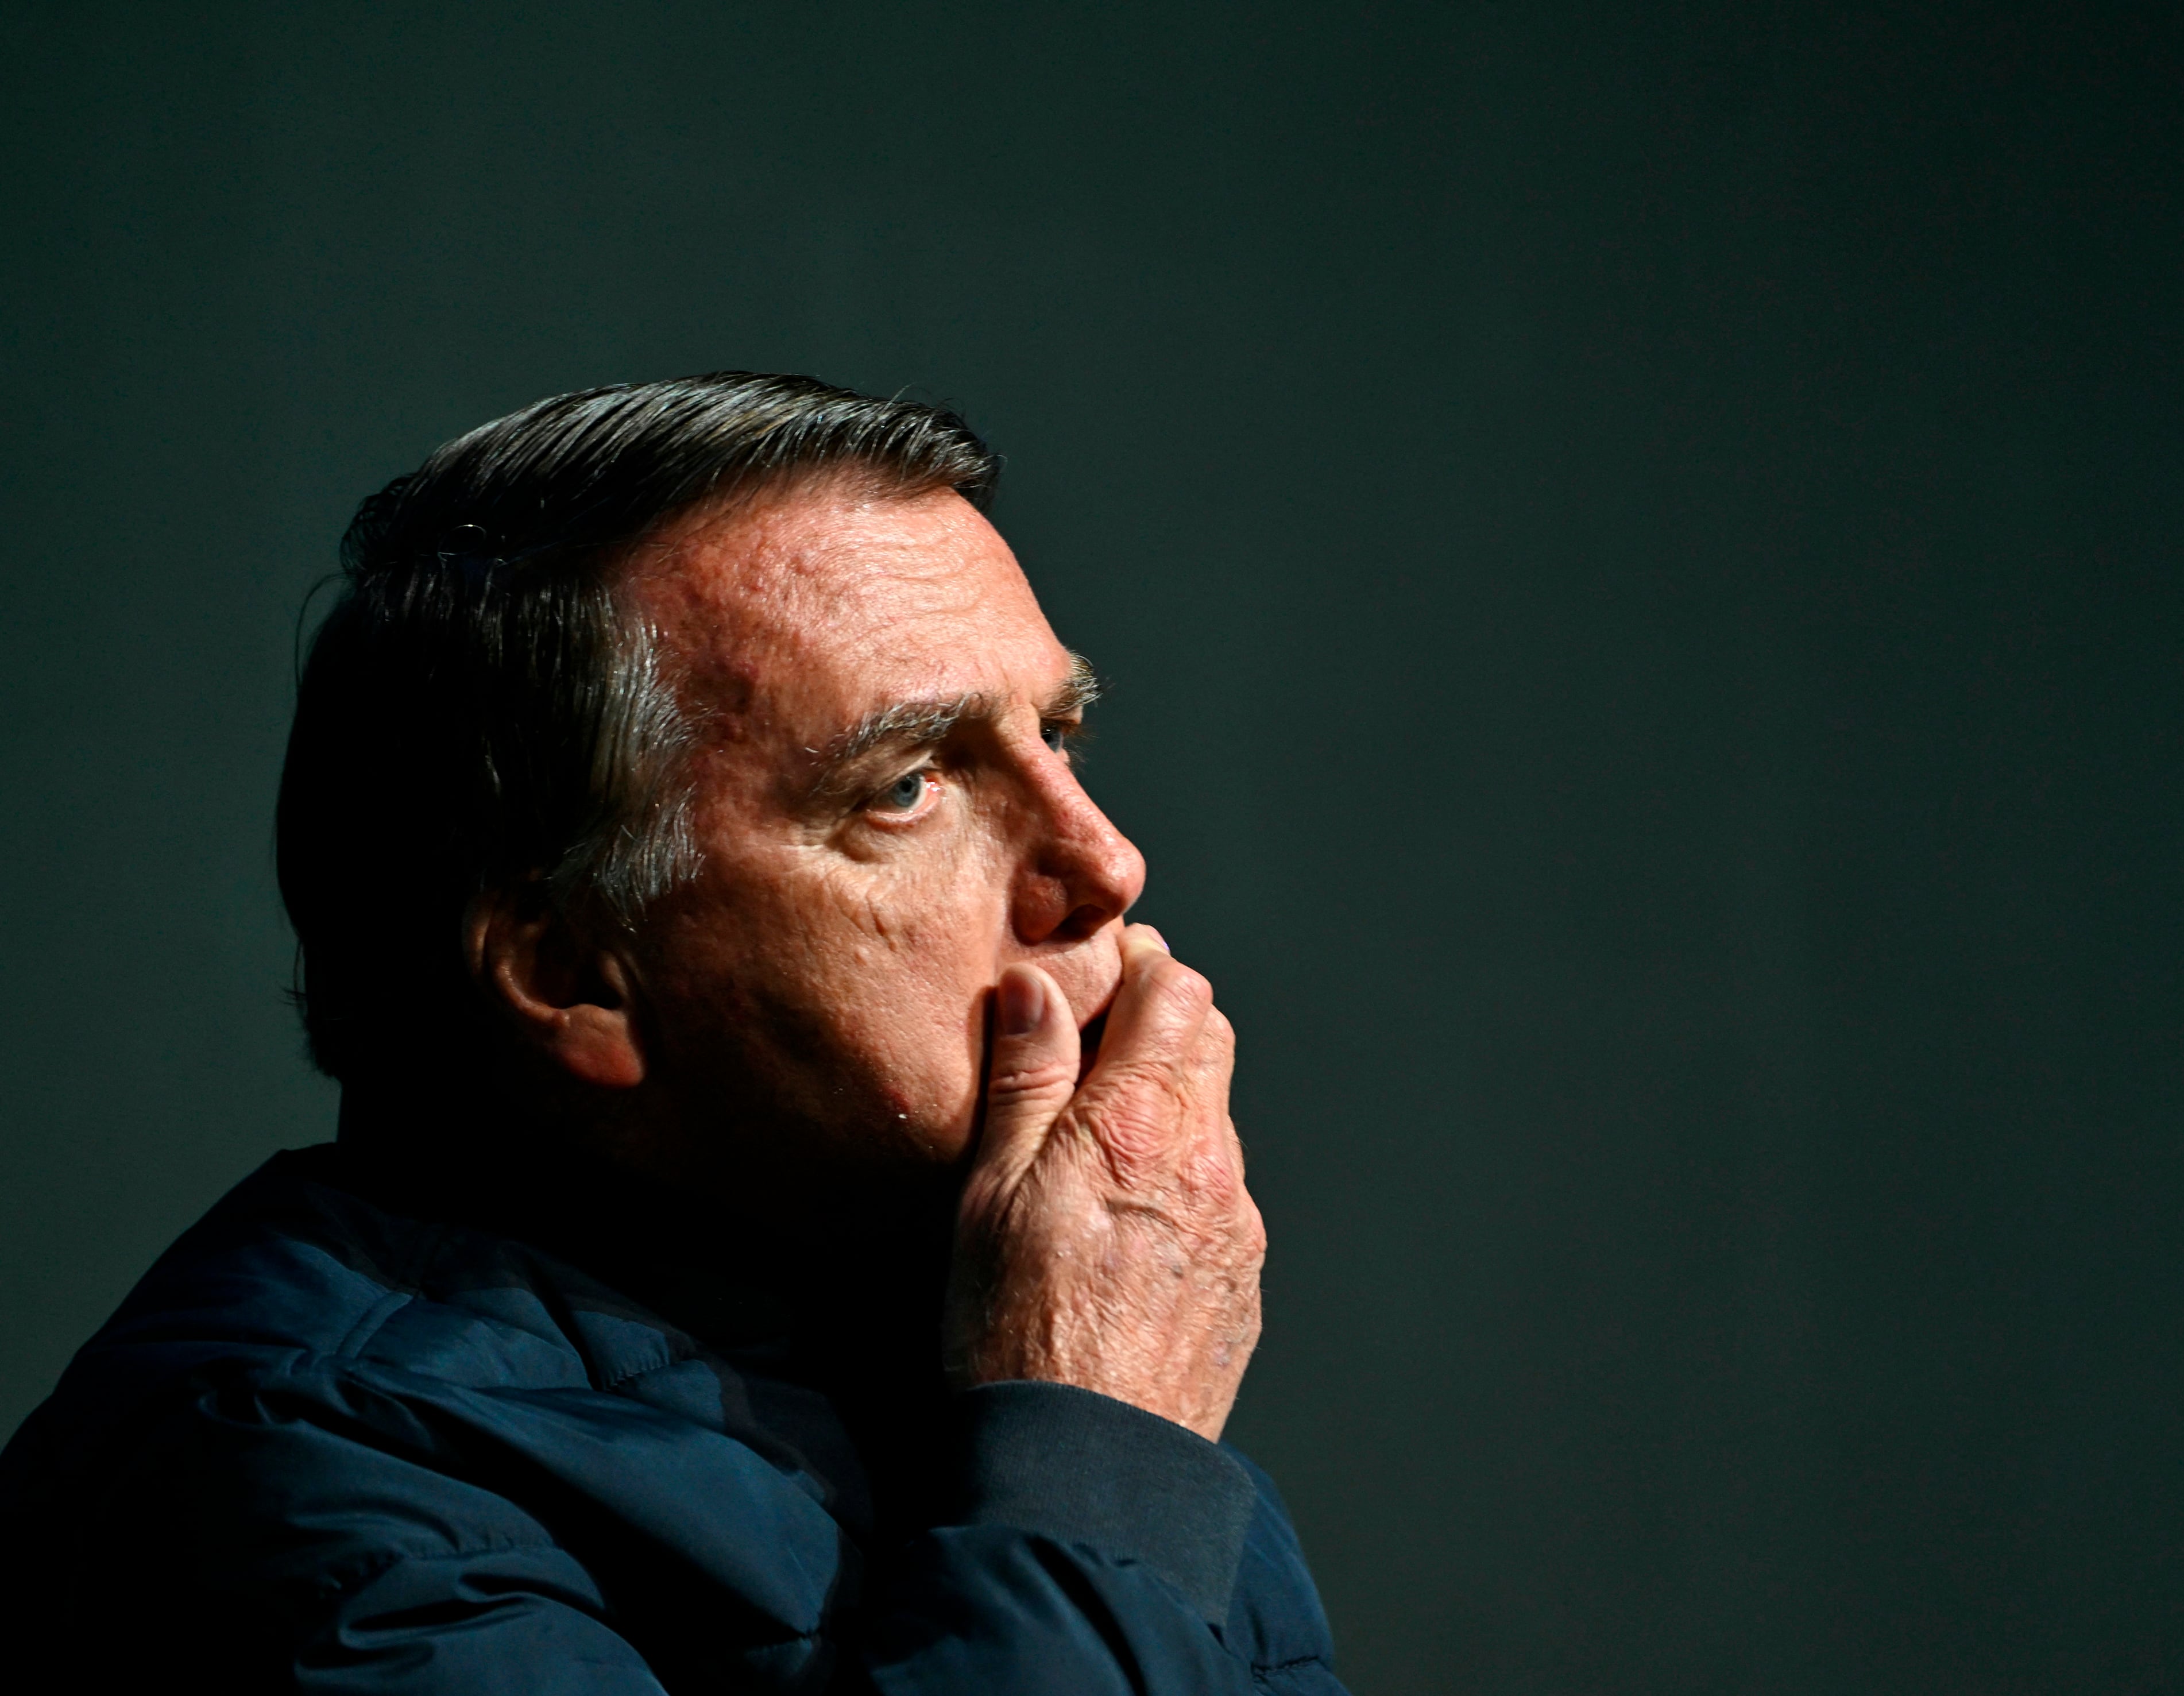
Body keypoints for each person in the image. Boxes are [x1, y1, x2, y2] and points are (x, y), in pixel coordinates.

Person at [0, 374, 1345, 1695]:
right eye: (907, 783)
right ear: (575, 975)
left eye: (1057, 732)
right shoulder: (307, 1483)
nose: (1106, 862)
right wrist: (1094, 1454)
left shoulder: (985, 1333)